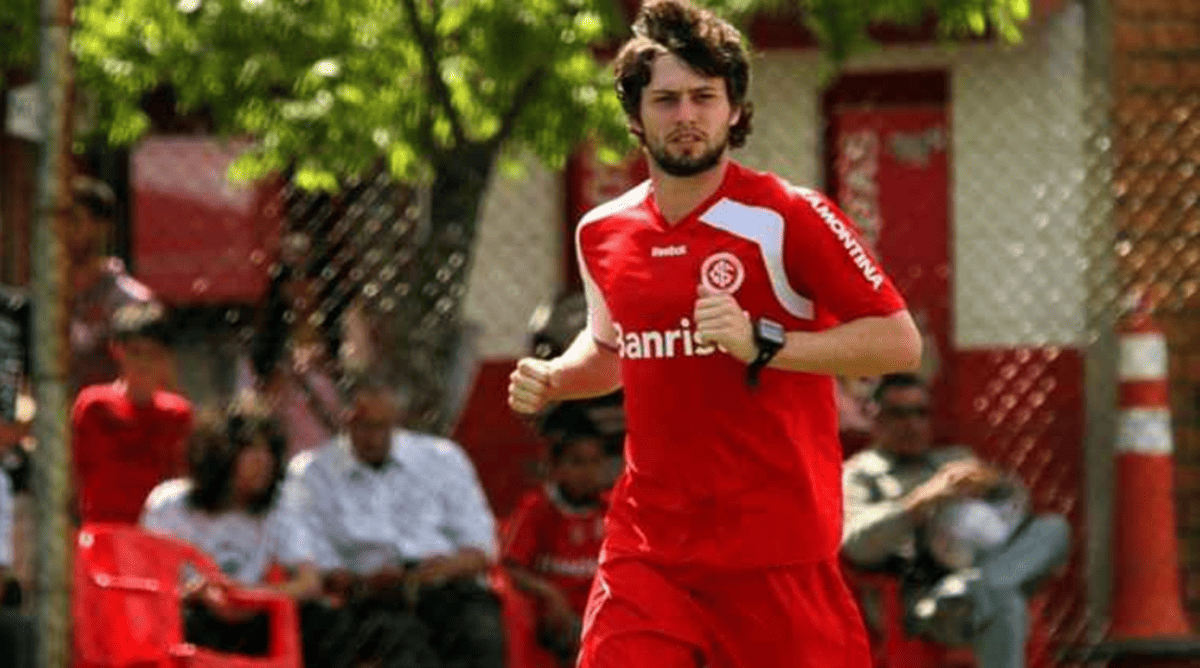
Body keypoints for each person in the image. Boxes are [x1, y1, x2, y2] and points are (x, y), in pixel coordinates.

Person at [507, 2, 922, 667]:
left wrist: (769, 342)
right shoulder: (603, 232)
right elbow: (613, 352)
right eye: (666, 100)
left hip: (776, 550)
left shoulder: (790, 215)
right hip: (650, 547)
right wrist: (560, 377)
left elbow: (898, 342)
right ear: (636, 116)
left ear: (734, 108)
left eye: (704, 96)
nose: (686, 115)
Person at [841, 373, 1071, 668]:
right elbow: (856, 545)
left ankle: (973, 586)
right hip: (925, 594)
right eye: (899, 414)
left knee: (1053, 529)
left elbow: (1014, 517)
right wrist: (922, 501)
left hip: (982, 568)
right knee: (1005, 603)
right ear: (876, 417)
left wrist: (997, 486)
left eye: (920, 413)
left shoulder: (954, 458)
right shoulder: (861, 475)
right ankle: (973, 589)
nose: (912, 424)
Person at [284, 377, 505, 668]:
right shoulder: (312, 472)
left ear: (397, 419)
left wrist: (432, 572)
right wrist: (358, 582)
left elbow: (481, 547)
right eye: (364, 426)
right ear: (345, 420)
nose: (374, 437)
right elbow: (309, 557)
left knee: (480, 629)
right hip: (366, 596)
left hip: (441, 584)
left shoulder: (442, 458)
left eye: (382, 426)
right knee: (400, 642)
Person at [140, 399, 345, 666]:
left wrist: (249, 596)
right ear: (220, 453)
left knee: (325, 618)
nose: (264, 461)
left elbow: (309, 583)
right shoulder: (169, 504)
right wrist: (193, 594)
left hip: (253, 614)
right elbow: (141, 584)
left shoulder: (278, 507)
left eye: (270, 451)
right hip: (191, 614)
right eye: (251, 450)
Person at [1, 176, 160, 447]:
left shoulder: (131, 302)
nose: (62, 231)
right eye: (56, 221)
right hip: (52, 445)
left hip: (113, 443)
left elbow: (153, 385)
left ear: (101, 227)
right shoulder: (42, 299)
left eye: (74, 220)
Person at [502, 409, 611, 666]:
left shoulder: (611, 508)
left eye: (595, 462)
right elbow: (510, 567)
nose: (588, 473)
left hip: (603, 612)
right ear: (555, 467)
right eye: (577, 462)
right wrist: (550, 593)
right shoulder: (537, 509)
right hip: (557, 620)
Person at [72, 301, 192, 524]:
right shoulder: (93, 406)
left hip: (156, 537)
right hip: (102, 535)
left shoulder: (177, 414)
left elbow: (182, 486)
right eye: (136, 352)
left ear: (166, 357)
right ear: (117, 350)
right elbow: (72, 477)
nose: (144, 363)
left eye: (154, 354)